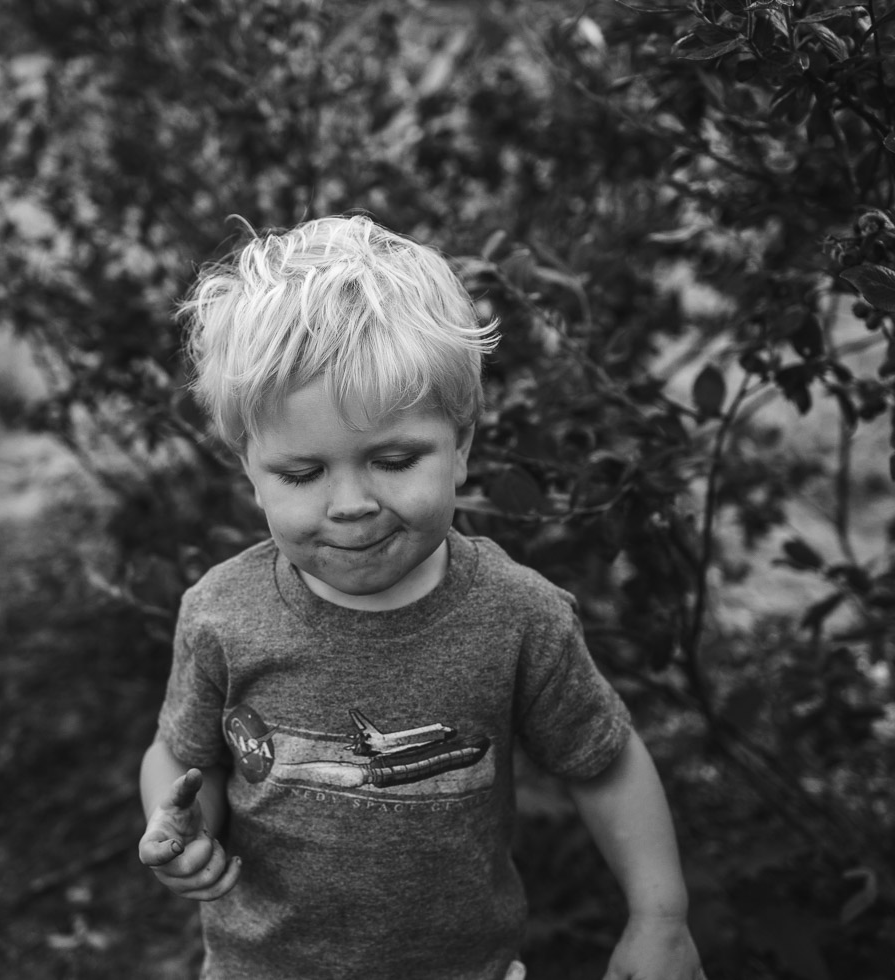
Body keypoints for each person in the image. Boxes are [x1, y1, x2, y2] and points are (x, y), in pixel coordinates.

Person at [137, 214, 704, 980]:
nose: (350, 505)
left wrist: (660, 916)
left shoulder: (516, 614)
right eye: (302, 475)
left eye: (395, 459)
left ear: (462, 445)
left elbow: (603, 761)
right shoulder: (221, 611)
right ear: (250, 468)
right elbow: (182, 755)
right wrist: (183, 832)